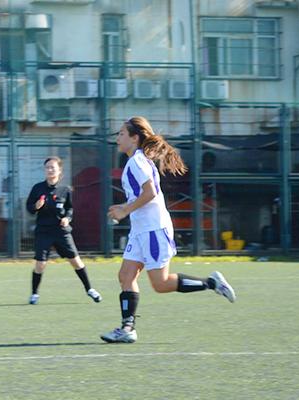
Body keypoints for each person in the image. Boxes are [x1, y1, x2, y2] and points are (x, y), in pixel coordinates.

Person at [101, 117, 236, 344]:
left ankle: (212, 283)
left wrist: (124, 209)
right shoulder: (137, 160)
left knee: (161, 284)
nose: (118, 137)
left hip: (153, 229)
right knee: (125, 275)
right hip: (141, 230)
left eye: (122, 133)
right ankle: (127, 328)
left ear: (134, 138)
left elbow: (150, 193)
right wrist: (127, 210)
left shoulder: (137, 162)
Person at [25, 156, 101, 305]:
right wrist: (36, 206)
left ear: (59, 170)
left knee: (76, 262)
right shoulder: (37, 188)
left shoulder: (65, 190)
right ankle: (34, 294)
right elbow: (29, 208)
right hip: (44, 231)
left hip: (61, 232)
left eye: (52, 167)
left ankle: (89, 289)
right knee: (40, 264)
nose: (49, 170)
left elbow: (70, 209)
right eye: (47, 167)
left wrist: (67, 218)